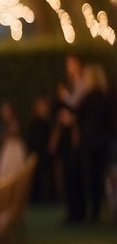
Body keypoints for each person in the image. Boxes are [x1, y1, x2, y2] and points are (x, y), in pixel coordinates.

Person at [76, 63, 112, 222]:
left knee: (91, 177)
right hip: (102, 142)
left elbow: (78, 116)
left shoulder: (88, 98)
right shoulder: (105, 97)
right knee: (100, 175)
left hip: (90, 143)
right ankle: (99, 208)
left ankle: (94, 210)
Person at [54, 53, 88, 223]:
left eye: (71, 64)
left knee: (74, 172)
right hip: (68, 135)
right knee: (69, 172)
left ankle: (78, 211)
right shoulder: (73, 84)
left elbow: (77, 107)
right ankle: (73, 211)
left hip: (75, 136)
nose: (69, 67)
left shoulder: (81, 84)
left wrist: (65, 97)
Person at [24, 95, 55, 202]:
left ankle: (46, 196)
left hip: (45, 154)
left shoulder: (45, 123)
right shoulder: (35, 123)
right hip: (37, 153)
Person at [0, 100, 26, 180]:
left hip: (14, 152)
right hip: (7, 151)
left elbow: (14, 134)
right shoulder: (3, 126)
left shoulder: (14, 124)